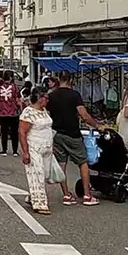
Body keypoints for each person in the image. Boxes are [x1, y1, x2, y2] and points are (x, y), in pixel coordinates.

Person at [47, 73, 101, 206]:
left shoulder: (51, 95)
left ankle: (66, 195)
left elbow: (47, 114)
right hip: (73, 134)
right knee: (83, 162)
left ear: (59, 80)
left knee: (61, 164)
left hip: (57, 134)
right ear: (71, 80)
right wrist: (97, 125)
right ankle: (87, 195)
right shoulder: (74, 95)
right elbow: (84, 115)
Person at [19, 86, 54, 215]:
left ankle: (33, 196)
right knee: (37, 173)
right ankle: (40, 203)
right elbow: (22, 132)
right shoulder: (28, 112)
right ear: (39, 98)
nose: (47, 100)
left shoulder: (44, 111)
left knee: (44, 174)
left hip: (46, 147)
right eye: (46, 98)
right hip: (34, 147)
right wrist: (25, 152)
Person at [0, 70, 22, 156]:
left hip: (2, 112)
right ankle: (15, 151)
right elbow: (18, 98)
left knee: (4, 131)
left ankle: (4, 150)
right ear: (11, 77)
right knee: (14, 132)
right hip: (13, 112)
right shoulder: (14, 87)